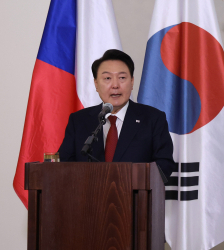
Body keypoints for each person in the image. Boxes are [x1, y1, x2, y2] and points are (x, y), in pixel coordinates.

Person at [58, 49, 176, 181]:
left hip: (136, 199)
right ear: (96, 84)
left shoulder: (153, 119)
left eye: (122, 78)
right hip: (88, 199)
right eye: (107, 78)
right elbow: (64, 164)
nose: (115, 85)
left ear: (132, 82)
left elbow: (164, 165)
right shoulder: (79, 120)